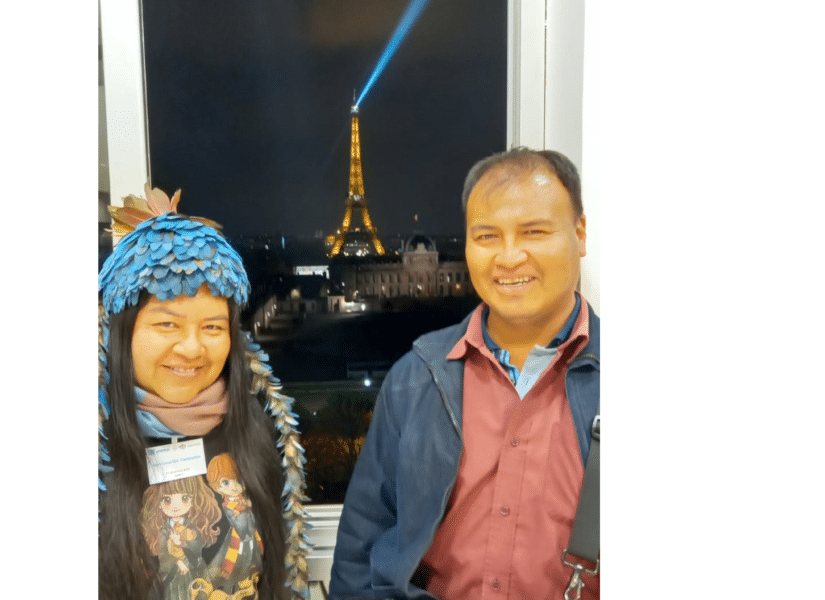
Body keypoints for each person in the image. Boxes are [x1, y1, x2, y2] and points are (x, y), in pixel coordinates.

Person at [329, 147, 600, 599]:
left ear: (580, 234)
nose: (509, 257)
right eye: (487, 236)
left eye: (533, 231)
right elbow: (361, 551)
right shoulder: (413, 380)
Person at [98, 185, 311, 600]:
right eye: (167, 325)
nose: (192, 348)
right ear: (123, 331)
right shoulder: (95, 442)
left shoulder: (255, 430)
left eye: (212, 327)